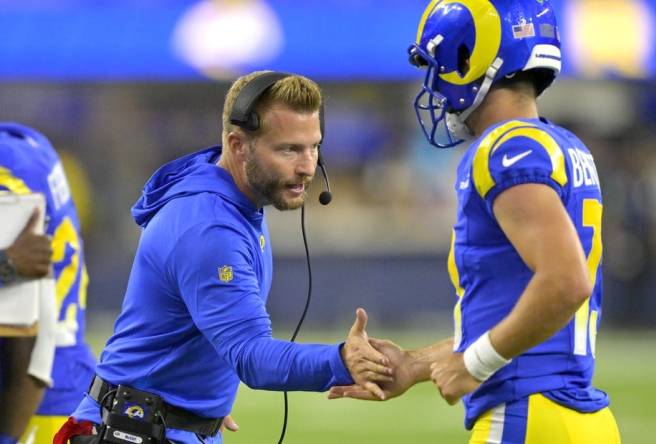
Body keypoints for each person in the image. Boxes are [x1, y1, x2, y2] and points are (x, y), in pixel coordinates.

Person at [329, 1, 621, 442]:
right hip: (575, 419)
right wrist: (417, 364)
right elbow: (525, 323)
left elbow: (565, 281)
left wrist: (473, 363)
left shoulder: (503, 149)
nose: (436, 83)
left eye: (439, 65)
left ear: (470, 58)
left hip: (527, 417)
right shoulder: (563, 145)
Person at [57, 71, 393, 444]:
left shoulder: (240, 199)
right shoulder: (210, 228)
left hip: (166, 425)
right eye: (288, 149)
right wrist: (342, 360)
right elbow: (251, 355)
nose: (308, 166)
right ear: (237, 145)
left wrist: (203, 396)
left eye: (314, 147)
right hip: (130, 431)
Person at [0, 122, 96, 444]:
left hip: (30, 405)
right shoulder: (25, 142)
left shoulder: (7, 178)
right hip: (68, 382)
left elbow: (25, 336)